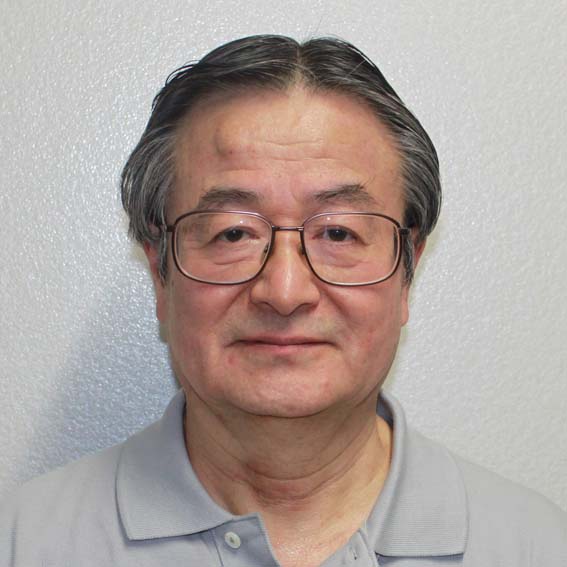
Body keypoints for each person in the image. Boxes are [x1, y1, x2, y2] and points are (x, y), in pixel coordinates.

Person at [1, 35, 565, 567]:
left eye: (339, 232)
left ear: (407, 272)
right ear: (159, 273)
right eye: (233, 233)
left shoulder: (537, 547)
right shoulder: (24, 544)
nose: (286, 291)